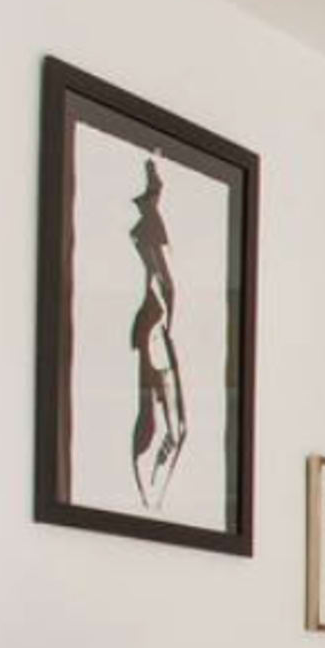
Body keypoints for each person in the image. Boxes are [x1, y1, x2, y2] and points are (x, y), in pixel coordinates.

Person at [127, 160, 187, 508]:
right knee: (169, 429)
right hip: (154, 334)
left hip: (156, 333)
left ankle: (152, 500)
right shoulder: (157, 291)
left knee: (172, 429)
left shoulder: (159, 285)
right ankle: (151, 501)